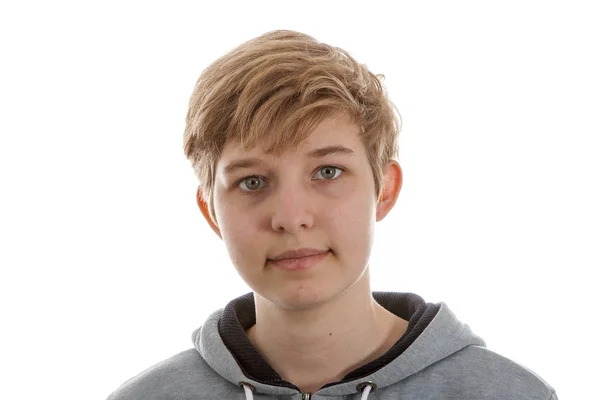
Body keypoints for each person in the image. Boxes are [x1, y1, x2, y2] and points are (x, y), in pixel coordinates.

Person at [106, 30, 558, 400]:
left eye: (327, 171)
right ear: (211, 211)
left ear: (385, 190)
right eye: (252, 182)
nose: (291, 217)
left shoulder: (506, 394)